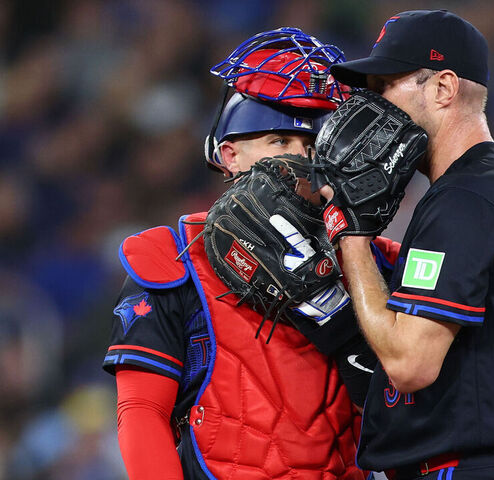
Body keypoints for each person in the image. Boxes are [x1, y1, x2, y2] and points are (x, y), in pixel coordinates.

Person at [103, 28, 395, 480]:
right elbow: (142, 410)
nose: (299, 160)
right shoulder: (172, 257)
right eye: (279, 141)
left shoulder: (372, 261)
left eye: (312, 146)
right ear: (230, 154)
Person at [318, 10, 494, 480]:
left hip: (476, 466)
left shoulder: (464, 199)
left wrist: (349, 237)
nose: (370, 106)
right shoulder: (492, 185)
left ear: (443, 88)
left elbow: (410, 363)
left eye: (383, 87)